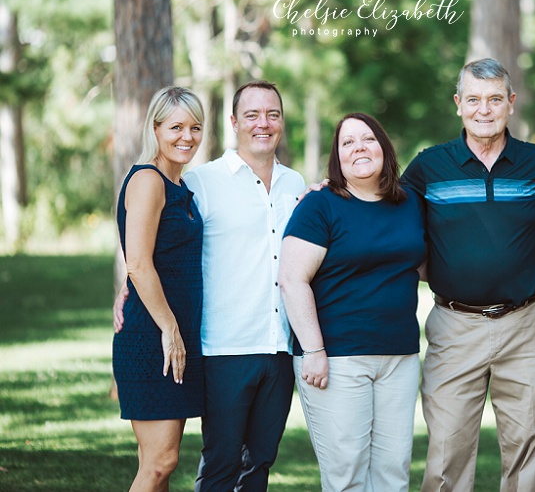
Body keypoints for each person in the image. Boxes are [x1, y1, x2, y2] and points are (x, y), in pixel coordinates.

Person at [116, 80, 307, 491]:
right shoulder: (192, 183)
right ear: (235, 122)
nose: (263, 123)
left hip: (267, 344)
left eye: (272, 114)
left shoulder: (295, 186)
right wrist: (134, 287)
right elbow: (141, 254)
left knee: (236, 463)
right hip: (197, 343)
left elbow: (159, 249)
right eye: (252, 115)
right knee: (182, 462)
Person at [402, 57, 535, 492]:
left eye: (493, 100)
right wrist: (326, 189)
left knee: (527, 447)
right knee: (447, 450)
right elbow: (384, 216)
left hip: (526, 324)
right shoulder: (428, 167)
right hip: (454, 325)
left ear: (510, 103)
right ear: (458, 104)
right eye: (473, 100)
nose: (483, 110)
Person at [279, 113, 425, 492]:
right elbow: (292, 280)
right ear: (337, 158)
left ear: (384, 148)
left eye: (368, 139)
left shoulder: (408, 202)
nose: (359, 147)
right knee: (347, 475)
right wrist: (313, 349)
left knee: (394, 473)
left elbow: (422, 264)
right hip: (338, 358)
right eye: (348, 142)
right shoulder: (319, 205)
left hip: (400, 357)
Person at [113, 86, 205, 492]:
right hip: (154, 335)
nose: (187, 136)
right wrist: (170, 329)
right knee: (161, 461)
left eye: (195, 127)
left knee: (156, 462)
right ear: (155, 128)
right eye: (176, 127)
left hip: (174, 332)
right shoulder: (149, 180)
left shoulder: (180, 185)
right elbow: (138, 262)